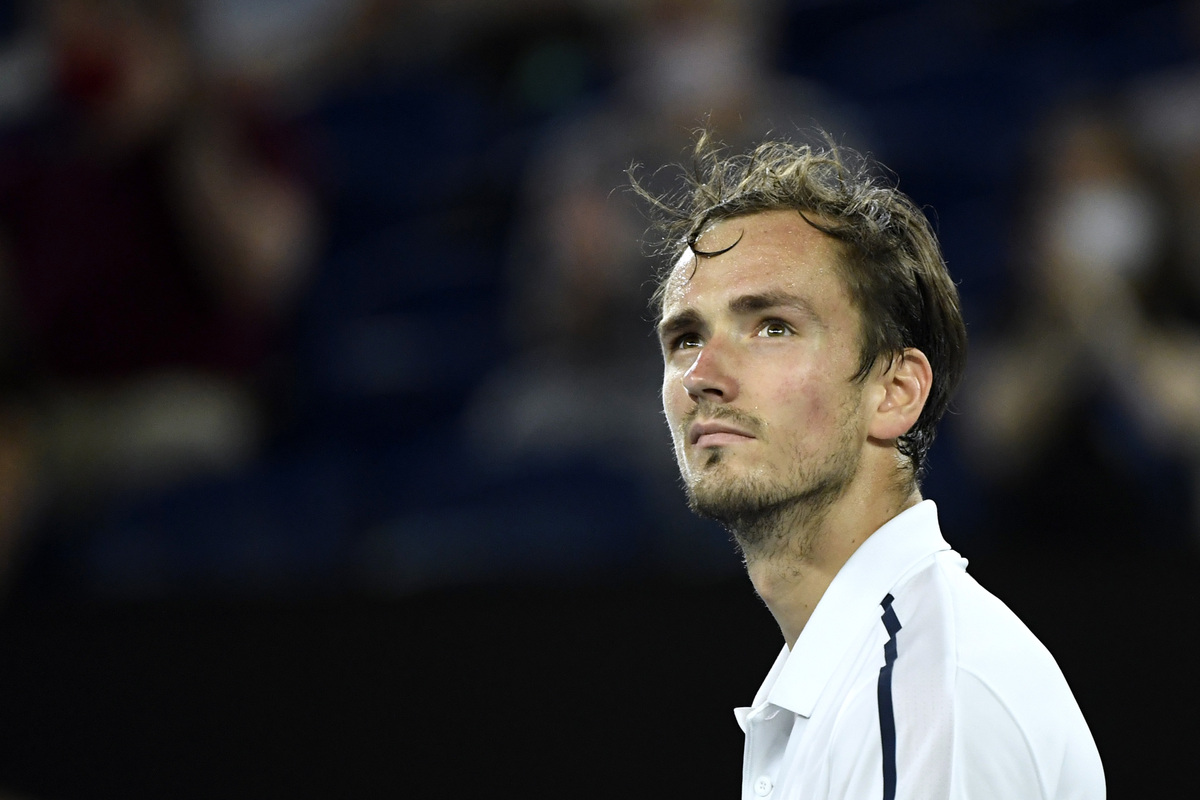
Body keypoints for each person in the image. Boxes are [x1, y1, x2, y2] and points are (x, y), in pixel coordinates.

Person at [633, 131, 1105, 799]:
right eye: (685, 338)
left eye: (772, 327)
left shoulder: (922, 694)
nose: (702, 375)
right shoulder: (864, 674)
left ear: (895, 392)